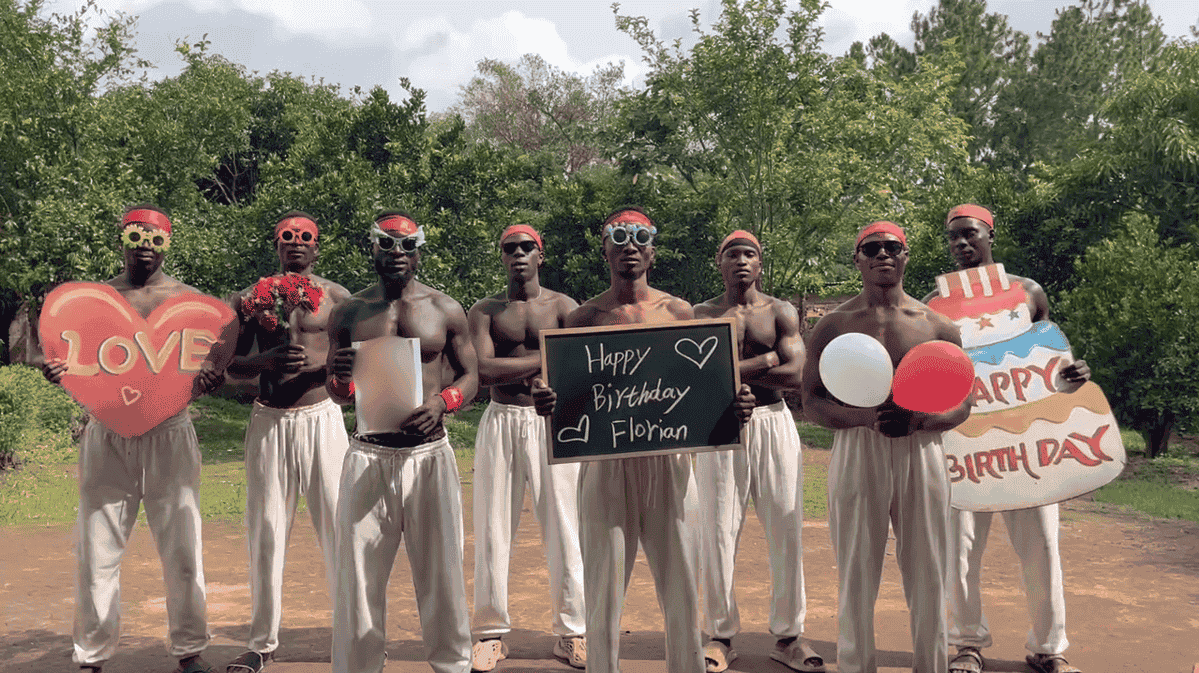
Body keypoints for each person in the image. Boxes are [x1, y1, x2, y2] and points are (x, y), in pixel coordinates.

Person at [531, 207, 755, 673]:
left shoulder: (677, 311)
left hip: (667, 458)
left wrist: (733, 405)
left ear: (652, 249)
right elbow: (570, 397)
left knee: (680, 583)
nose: (628, 245)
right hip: (605, 463)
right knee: (604, 585)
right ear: (605, 247)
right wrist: (549, 401)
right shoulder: (583, 317)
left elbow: (699, 388)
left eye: (639, 236)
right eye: (618, 235)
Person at [40, 205, 224, 673]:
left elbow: (213, 362)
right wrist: (56, 370)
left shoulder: (190, 301)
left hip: (170, 432)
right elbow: (72, 357)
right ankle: (93, 655)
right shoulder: (94, 300)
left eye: (155, 238)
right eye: (136, 236)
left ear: (168, 242)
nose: (145, 246)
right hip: (106, 430)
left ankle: (189, 651)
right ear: (122, 239)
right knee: (96, 548)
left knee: (182, 546)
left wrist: (210, 377)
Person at [924, 204, 1089, 673]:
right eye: (953, 237)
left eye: (969, 234)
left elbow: (1047, 360)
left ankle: (1048, 649)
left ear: (990, 234)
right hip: (963, 440)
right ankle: (966, 645)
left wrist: (1072, 374)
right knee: (959, 549)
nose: (961, 243)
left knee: (1041, 544)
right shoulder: (935, 306)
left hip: (1028, 439)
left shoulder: (1027, 292)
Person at [801, 221, 971, 673]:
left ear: (906, 255)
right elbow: (812, 400)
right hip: (859, 448)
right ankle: (857, 666)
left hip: (923, 451)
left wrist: (920, 419)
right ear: (857, 258)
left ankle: (930, 665)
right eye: (871, 248)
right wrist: (863, 418)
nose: (882, 254)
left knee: (929, 567)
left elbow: (964, 401)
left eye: (892, 247)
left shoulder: (938, 326)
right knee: (856, 568)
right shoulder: (833, 325)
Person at [325, 211, 478, 673]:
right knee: (358, 575)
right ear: (371, 247)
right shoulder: (349, 312)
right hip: (369, 452)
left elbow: (472, 375)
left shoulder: (445, 308)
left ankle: (452, 665)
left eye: (407, 245)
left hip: (428, 455)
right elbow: (338, 390)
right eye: (387, 244)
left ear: (419, 251)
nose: (397, 253)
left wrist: (445, 401)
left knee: (442, 571)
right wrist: (340, 382)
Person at [224, 212, 352, 673]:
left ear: (317, 247)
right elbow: (227, 366)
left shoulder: (339, 298)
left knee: (339, 525)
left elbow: (355, 360)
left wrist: (327, 374)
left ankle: (350, 631)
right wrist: (267, 359)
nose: (296, 244)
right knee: (266, 530)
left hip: (322, 419)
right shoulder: (249, 299)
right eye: (287, 237)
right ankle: (262, 642)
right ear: (276, 245)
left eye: (306, 238)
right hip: (269, 420)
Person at [692, 230, 823, 673]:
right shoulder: (701, 313)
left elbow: (797, 374)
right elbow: (693, 376)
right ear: (719, 261)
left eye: (750, 254)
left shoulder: (780, 311)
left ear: (760, 264)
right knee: (716, 530)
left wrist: (743, 376)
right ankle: (719, 634)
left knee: (785, 526)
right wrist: (762, 362)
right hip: (717, 426)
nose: (742, 260)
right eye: (733, 253)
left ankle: (788, 636)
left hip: (772, 423)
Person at [466, 225, 586, 671]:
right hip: (501, 420)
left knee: (564, 524)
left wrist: (553, 365)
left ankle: (573, 631)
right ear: (501, 256)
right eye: (509, 248)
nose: (518, 254)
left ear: (541, 254)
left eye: (526, 247)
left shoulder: (564, 307)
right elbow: (482, 371)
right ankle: (491, 633)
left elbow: (578, 368)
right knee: (493, 526)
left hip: (553, 423)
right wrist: (547, 357)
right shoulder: (485, 311)